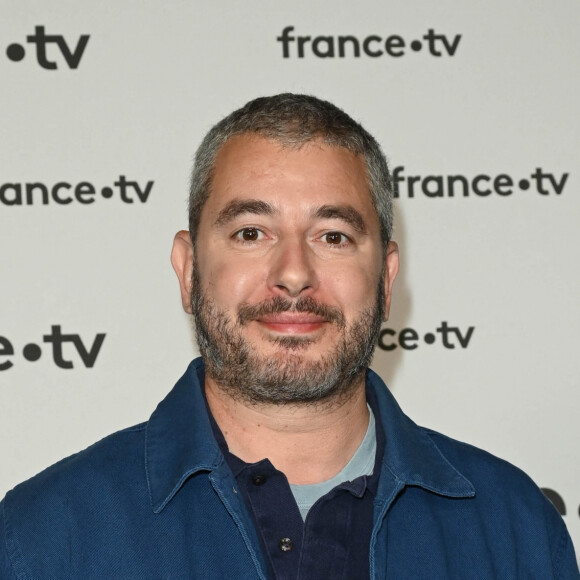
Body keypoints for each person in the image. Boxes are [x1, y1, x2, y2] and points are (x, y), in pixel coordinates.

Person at [0, 94, 577, 579]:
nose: (294, 273)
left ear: (386, 279)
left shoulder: (516, 531)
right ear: (188, 269)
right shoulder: (43, 539)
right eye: (251, 232)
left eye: (333, 236)